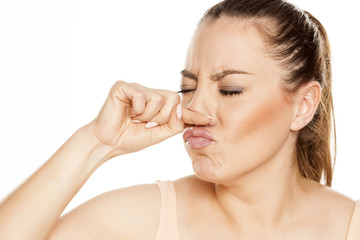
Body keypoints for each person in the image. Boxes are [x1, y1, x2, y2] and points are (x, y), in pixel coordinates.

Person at [0, 0, 359, 239]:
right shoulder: (141, 221)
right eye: (188, 87)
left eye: (230, 90)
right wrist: (96, 142)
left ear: (303, 105)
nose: (193, 110)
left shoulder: (349, 226)